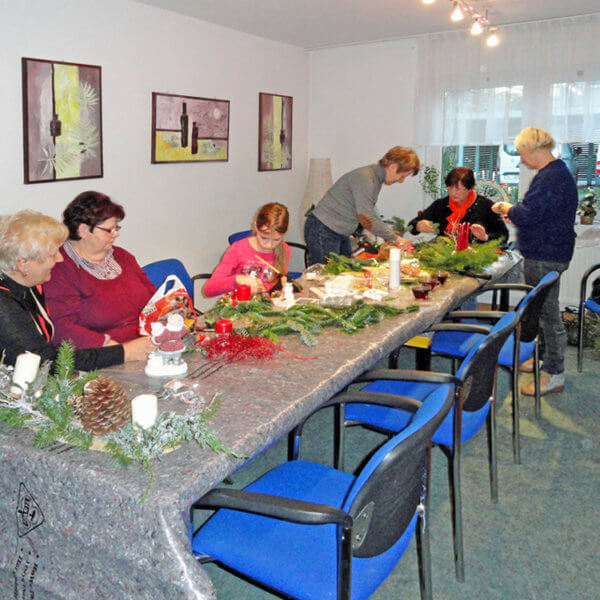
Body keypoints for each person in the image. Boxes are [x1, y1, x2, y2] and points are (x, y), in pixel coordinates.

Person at [0, 211, 154, 370]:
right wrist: (125, 352)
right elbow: (47, 362)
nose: (60, 259)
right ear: (21, 264)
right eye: (53, 254)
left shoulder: (30, 284)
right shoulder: (4, 306)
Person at [492, 127, 577, 395]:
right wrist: (517, 214)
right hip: (547, 251)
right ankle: (542, 359)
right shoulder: (553, 175)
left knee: (549, 315)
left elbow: (528, 214)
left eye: (521, 153)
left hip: (546, 255)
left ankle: (554, 374)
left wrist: (507, 208)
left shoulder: (552, 177)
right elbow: (537, 214)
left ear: (533, 149)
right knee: (540, 312)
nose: (521, 159)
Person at [44, 191, 157, 348]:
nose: (115, 234)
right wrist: (120, 350)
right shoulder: (59, 269)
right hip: (105, 354)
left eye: (116, 228)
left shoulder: (123, 257)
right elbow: (61, 329)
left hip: (149, 341)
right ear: (83, 230)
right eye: (109, 230)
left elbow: (155, 300)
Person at [304, 146, 420, 265]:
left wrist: (385, 229)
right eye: (402, 176)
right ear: (393, 167)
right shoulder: (367, 178)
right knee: (326, 278)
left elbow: (370, 207)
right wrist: (395, 239)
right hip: (324, 229)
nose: (401, 181)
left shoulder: (374, 177)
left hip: (337, 231)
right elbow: (366, 218)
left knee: (345, 274)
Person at [204, 202, 291, 297]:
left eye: (276, 239)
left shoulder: (284, 250)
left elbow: (279, 287)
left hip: (269, 306)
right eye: (264, 238)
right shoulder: (238, 249)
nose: (269, 245)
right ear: (256, 226)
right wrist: (237, 279)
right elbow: (209, 290)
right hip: (239, 306)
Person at [407, 167, 508, 242]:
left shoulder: (486, 206)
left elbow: (504, 236)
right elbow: (411, 226)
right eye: (450, 188)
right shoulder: (441, 205)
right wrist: (417, 226)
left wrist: (485, 237)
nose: (453, 193)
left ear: (469, 188)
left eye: (458, 189)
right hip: (443, 255)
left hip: (475, 259)